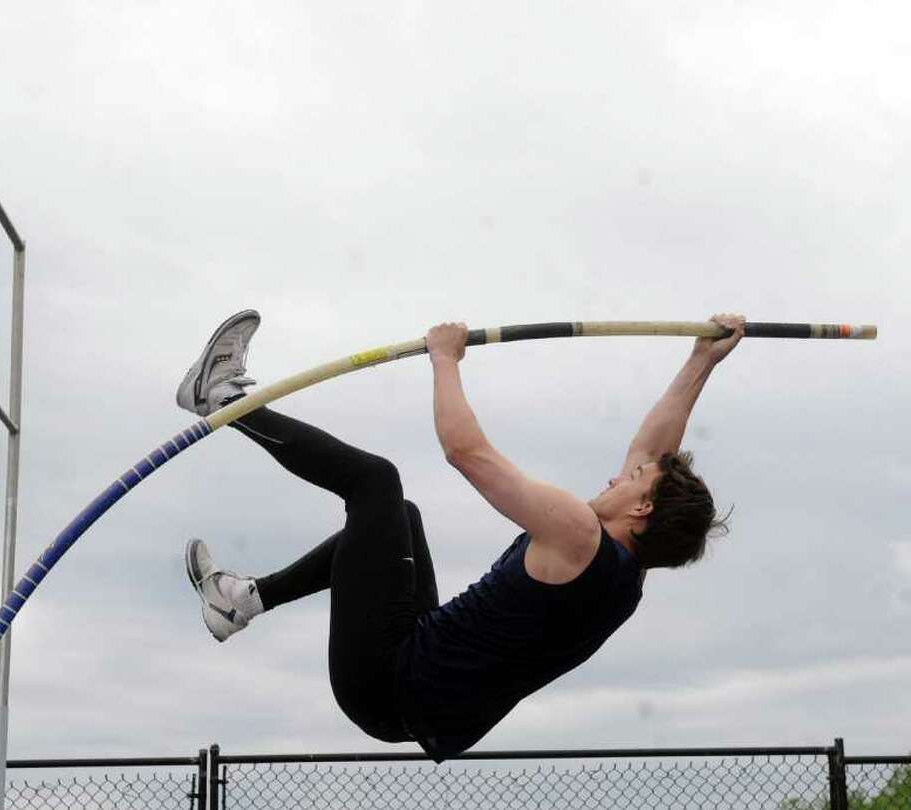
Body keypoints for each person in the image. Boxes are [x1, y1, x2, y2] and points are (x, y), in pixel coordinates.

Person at [176, 310, 739, 761]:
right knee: (400, 515)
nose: (620, 472)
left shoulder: (578, 536)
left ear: (641, 508)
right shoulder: (626, 573)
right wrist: (700, 361)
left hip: (386, 680)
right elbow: (653, 453)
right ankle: (241, 600)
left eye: (634, 480)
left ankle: (220, 400)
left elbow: (466, 453)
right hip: (413, 689)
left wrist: (446, 360)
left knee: (374, 484)